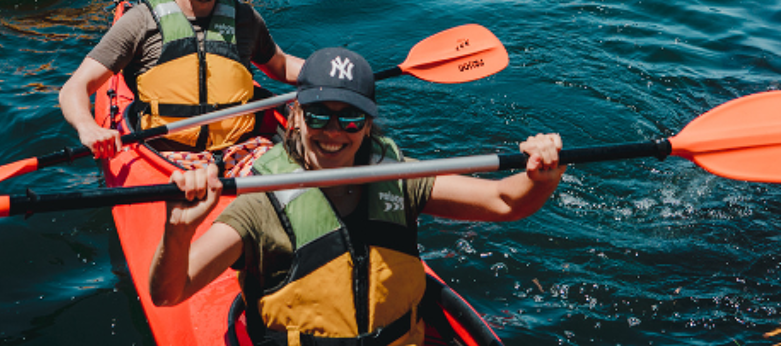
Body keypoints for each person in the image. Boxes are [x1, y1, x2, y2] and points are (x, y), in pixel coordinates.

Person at [150, 46, 566, 344]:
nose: (333, 131)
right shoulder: (261, 204)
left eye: (350, 118)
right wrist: (178, 231)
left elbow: (506, 202)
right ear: (294, 117)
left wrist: (540, 179)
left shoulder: (400, 179)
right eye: (318, 115)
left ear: (368, 125)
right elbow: (169, 293)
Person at [56, 0, 303, 176]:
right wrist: (88, 127)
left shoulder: (245, 19)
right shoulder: (141, 21)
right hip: (168, 155)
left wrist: (331, 72)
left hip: (244, 149)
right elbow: (75, 88)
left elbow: (281, 66)